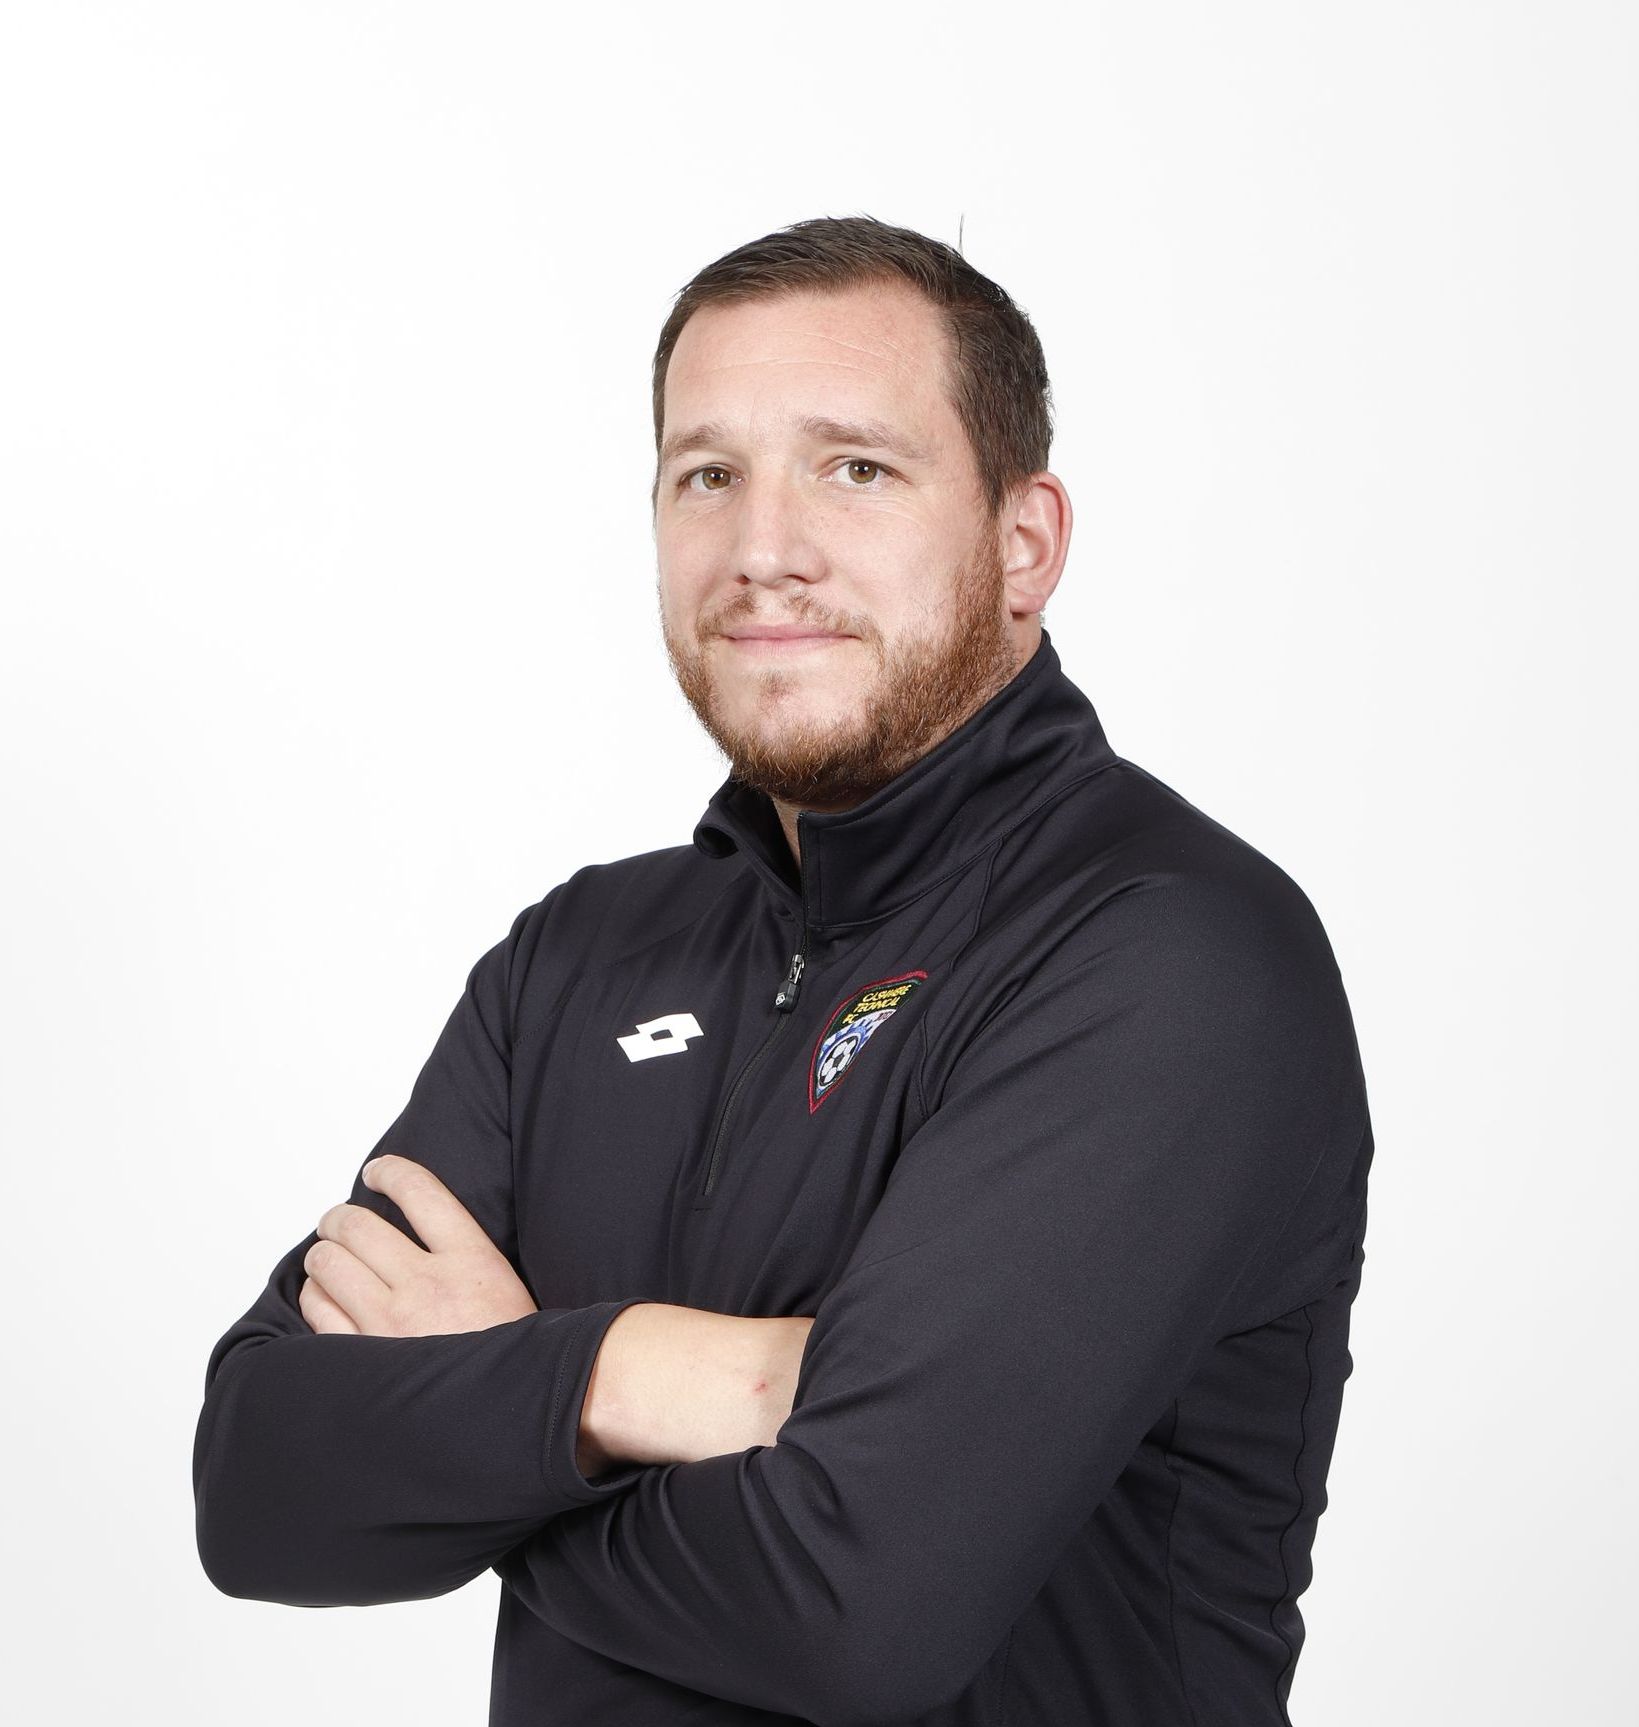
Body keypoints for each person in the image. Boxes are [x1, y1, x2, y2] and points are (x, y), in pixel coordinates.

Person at [193, 214, 1374, 1726]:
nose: (765, 548)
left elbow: (852, 1607)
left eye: (855, 467)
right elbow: (257, 1479)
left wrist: (502, 1425)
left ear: (1026, 543)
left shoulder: (1171, 955)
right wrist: (661, 1375)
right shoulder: (577, 958)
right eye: (708, 475)